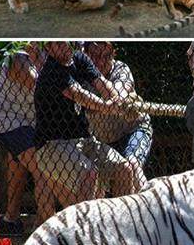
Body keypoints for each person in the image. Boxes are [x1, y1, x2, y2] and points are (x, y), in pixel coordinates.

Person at [34, 42, 144, 206]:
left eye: (67, 40)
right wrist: (108, 107)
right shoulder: (52, 70)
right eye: (58, 43)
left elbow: (102, 84)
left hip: (84, 140)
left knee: (125, 169)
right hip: (52, 145)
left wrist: (118, 101)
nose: (64, 45)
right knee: (89, 174)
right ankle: (86, 229)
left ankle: (122, 224)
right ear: (48, 48)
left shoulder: (79, 58)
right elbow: (79, 95)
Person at [0, 43, 55, 233]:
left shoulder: (51, 49)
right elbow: (38, 84)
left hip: (33, 122)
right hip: (10, 121)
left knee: (18, 166)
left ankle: (11, 221)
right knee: (43, 168)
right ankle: (46, 229)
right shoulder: (15, 54)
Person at [84, 43, 151, 185]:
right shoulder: (80, 75)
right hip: (100, 139)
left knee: (132, 165)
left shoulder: (121, 68)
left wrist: (98, 104)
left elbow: (120, 92)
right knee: (96, 182)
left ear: (113, 54)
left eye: (106, 56)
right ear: (86, 55)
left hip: (132, 130)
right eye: (95, 56)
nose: (101, 62)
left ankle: (149, 199)